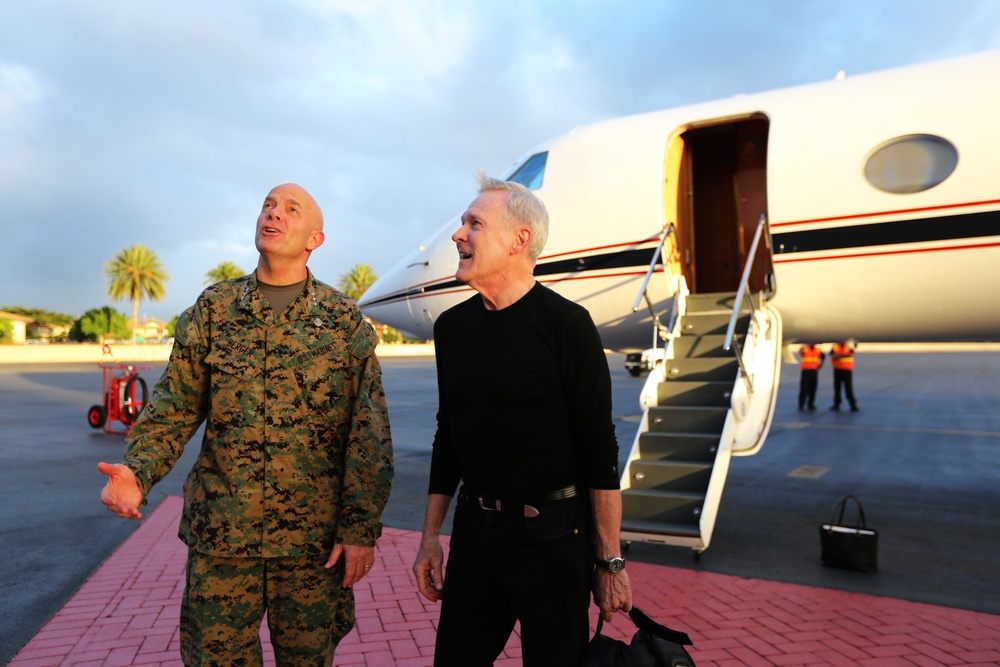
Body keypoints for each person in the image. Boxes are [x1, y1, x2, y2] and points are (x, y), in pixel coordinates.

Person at [98, 183, 394, 667]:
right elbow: (174, 407)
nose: (273, 215)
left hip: (311, 547)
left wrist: (360, 529)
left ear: (314, 239)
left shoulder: (342, 322)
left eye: (290, 210)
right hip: (223, 538)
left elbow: (369, 433)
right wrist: (138, 471)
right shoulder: (215, 310)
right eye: (267, 206)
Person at [412, 172, 633, 666]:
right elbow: (448, 439)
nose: (457, 234)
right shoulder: (451, 328)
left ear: (519, 239)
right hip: (476, 536)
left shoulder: (567, 326)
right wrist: (430, 538)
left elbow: (599, 449)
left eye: (474, 223)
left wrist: (610, 561)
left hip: (553, 542)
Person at [830, 340, 859, 411]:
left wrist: (839, 356)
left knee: (848, 388)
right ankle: (837, 404)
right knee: (837, 388)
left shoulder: (849, 346)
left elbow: (852, 354)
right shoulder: (835, 346)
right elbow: (832, 355)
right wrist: (844, 355)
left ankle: (853, 404)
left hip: (846, 370)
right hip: (837, 370)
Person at [797, 343, 825, 410]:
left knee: (813, 388)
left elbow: (823, 357)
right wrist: (804, 347)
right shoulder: (805, 349)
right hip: (806, 371)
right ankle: (801, 404)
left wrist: (820, 365)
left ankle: (811, 404)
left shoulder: (818, 350)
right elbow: (800, 352)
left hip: (814, 371)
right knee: (804, 388)